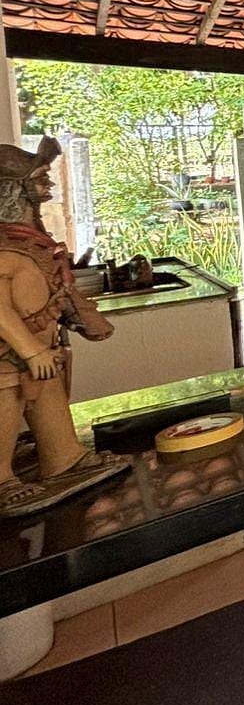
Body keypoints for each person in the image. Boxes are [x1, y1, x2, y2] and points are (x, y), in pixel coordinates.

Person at [0, 137, 128, 517]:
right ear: (13, 190)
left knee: (49, 398)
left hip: (40, 349)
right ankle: (2, 482)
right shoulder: (5, 249)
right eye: (40, 179)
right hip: (10, 355)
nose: (49, 184)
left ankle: (64, 459)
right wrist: (31, 350)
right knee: (5, 404)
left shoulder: (30, 243)